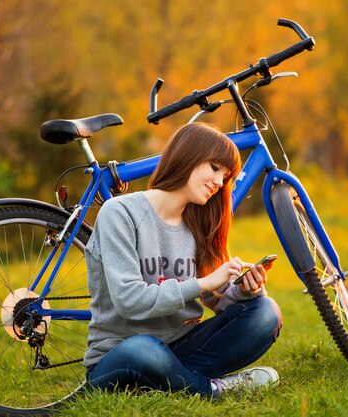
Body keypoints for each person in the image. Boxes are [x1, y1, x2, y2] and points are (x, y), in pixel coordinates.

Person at [84, 122, 282, 398]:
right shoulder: (119, 212)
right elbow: (129, 301)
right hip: (121, 353)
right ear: (187, 155)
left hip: (182, 348)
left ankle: (170, 383)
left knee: (265, 312)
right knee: (143, 350)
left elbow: (219, 301)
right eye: (214, 168)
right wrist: (200, 284)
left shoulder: (200, 224)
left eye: (225, 176)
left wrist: (245, 292)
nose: (218, 182)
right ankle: (211, 389)